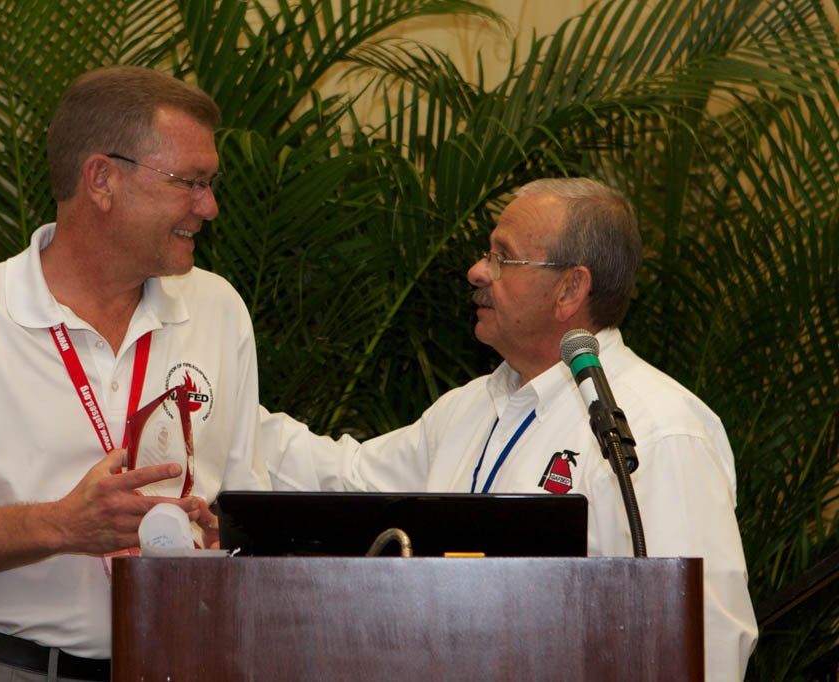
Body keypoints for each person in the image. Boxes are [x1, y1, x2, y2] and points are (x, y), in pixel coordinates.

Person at [0, 66, 270, 681]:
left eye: (210, 184)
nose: (209, 207)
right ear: (101, 179)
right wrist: (64, 524)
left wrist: (219, 538)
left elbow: (245, 503)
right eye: (190, 182)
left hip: (185, 662)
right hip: (16, 668)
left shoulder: (218, 309)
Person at [261, 177, 757, 680]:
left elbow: (705, 642)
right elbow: (345, 480)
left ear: (570, 289)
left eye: (503, 257)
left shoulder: (659, 430)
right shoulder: (470, 408)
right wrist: (225, 410)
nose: (477, 270)